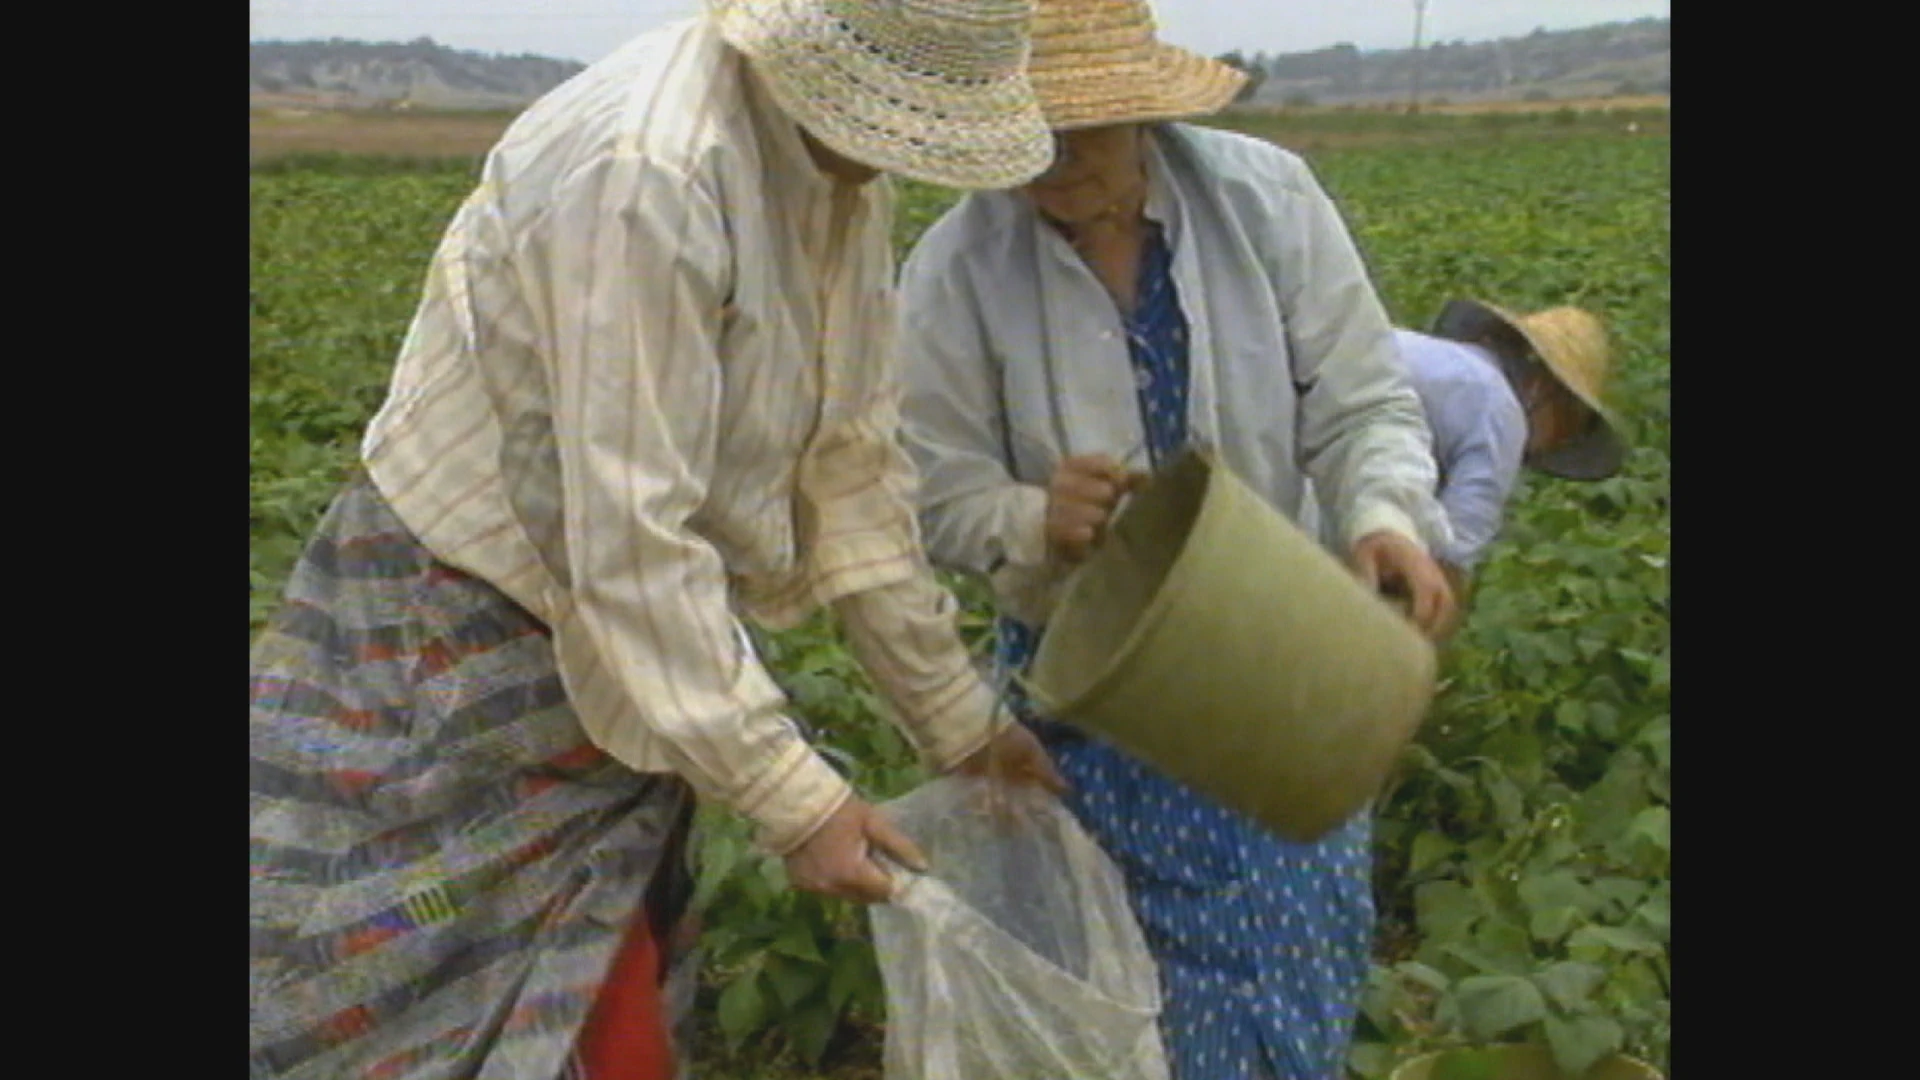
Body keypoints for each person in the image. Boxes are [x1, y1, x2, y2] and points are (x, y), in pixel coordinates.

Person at [247, 2, 1068, 1078]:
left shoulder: (838, 177)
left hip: (639, 635)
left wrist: (958, 722)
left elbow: (852, 466)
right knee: (378, 979)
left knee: (593, 965)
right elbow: (626, 539)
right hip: (457, 626)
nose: (890, 159)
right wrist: (796, 798)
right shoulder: (650, 173)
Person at [895, 1, 1457, 1077]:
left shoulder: (1268, 202)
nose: (1054, 169)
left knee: (1296, 953)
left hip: (1278, 653)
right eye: (1028, 140)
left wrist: (1384, 519)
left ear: (1144, 115)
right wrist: (1029, 519)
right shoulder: (955, 268)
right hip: (1094, 699)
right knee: (1126, 990)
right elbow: (926, 490)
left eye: (1083, 137)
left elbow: (1363, 405)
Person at [1392, 299, 1626, 617]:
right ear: (1544, 389)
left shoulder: (1458, 370)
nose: (1558, 442)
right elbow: (1450, 558)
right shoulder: (1501, 412)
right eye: (1566, 424)